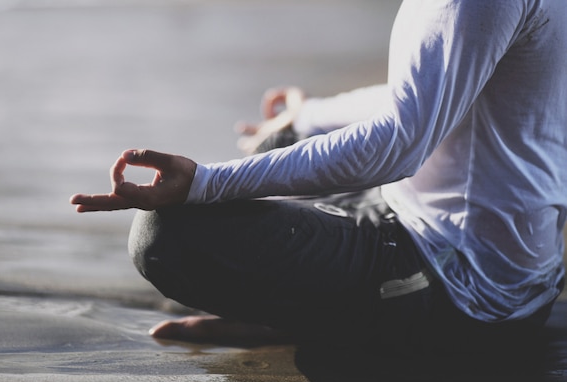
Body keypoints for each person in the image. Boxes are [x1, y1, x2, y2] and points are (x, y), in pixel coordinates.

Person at [71, 0, 567, 353]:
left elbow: (400, 145)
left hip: (466, 288)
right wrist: (310, 115)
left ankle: (310, 321)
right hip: (488, 254)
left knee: (165, 236)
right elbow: (438, 87)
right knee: (279, 140)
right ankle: (311, 307)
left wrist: (205, 183)